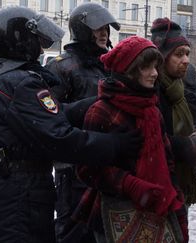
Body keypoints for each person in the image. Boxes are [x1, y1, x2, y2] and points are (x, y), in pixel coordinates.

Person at [0, 6, 141, 243]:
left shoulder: (0, 79)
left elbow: (42, 118)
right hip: (17, 197)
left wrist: (93, 104)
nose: (40, 48)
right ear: (20, 41)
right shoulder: (21, 83)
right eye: (36, 41)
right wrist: (116, 144)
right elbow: (60, 138)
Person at [73, 36, 186, 243]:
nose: (154, 74)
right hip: (114, 212)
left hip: (156, 210)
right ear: (129, 70)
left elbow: (167, 161)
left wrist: (176, 203)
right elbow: (86, 170)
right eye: (146, 68)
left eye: (156, 67)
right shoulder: (101, 111)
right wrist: (130, 184)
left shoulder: (152, 109)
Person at [44, 3, 120, 242]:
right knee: (73, 229)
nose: (104, 33)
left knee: (103, 227)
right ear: (82, 30)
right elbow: (50, 116)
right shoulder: (60, 66)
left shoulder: (111, 65)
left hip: (107, 162)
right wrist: (89, 105)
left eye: (106, 28)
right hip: (73, 167)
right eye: (98, 28)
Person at [150, 18, 196, 205]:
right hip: (156, 185)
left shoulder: (181, 88)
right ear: (162, 57)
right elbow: (149, 139)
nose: (186, 60)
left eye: (187, 54)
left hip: (180, 182)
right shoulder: (150, 90)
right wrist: (185, 145)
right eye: (179, 54)